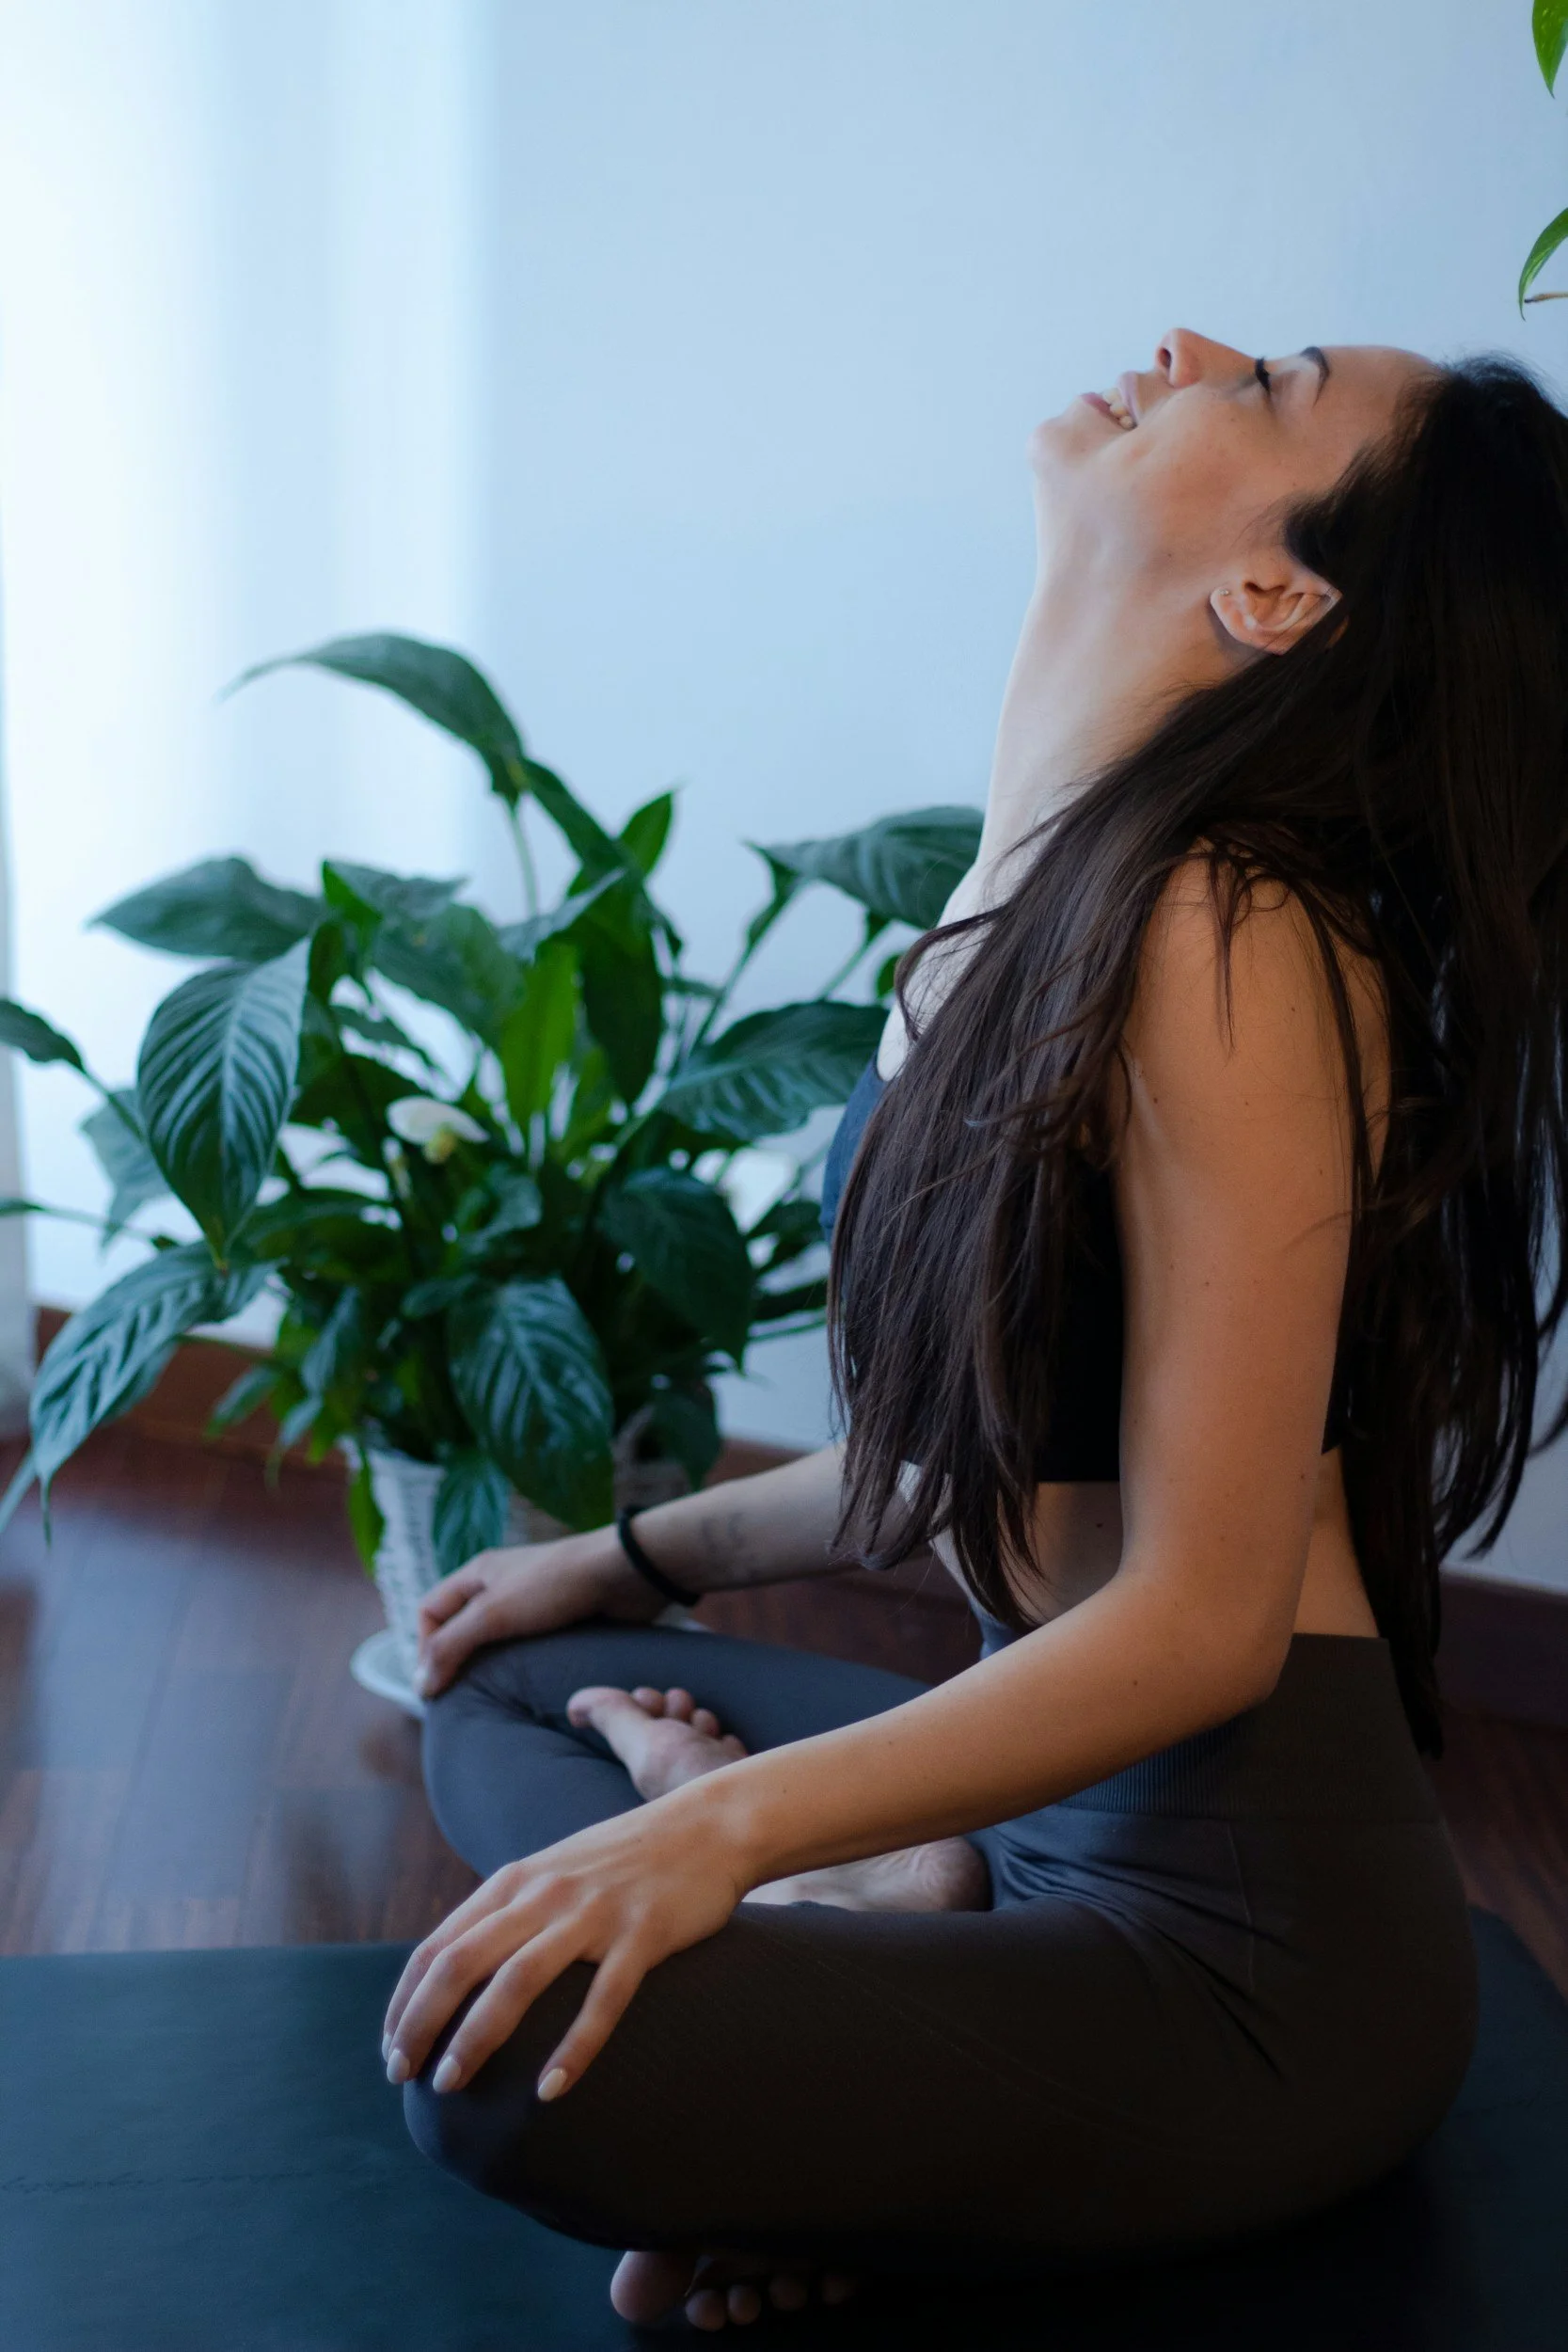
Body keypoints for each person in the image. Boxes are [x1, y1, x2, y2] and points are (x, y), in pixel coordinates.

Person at [385, 330, 1568, 2333]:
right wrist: (615, 1554)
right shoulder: (1048, 895)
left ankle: (868, 1976)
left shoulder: (1232, 930)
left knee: (487, 2074)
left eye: (1269, 381)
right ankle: (889, 1955)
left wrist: (714, 1831)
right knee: (499, 1672)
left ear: (1273, 594)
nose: (1187, 351)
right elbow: (982, 1443)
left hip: (1235, 1951)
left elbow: (1201, 1620)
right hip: (1026, 1830)